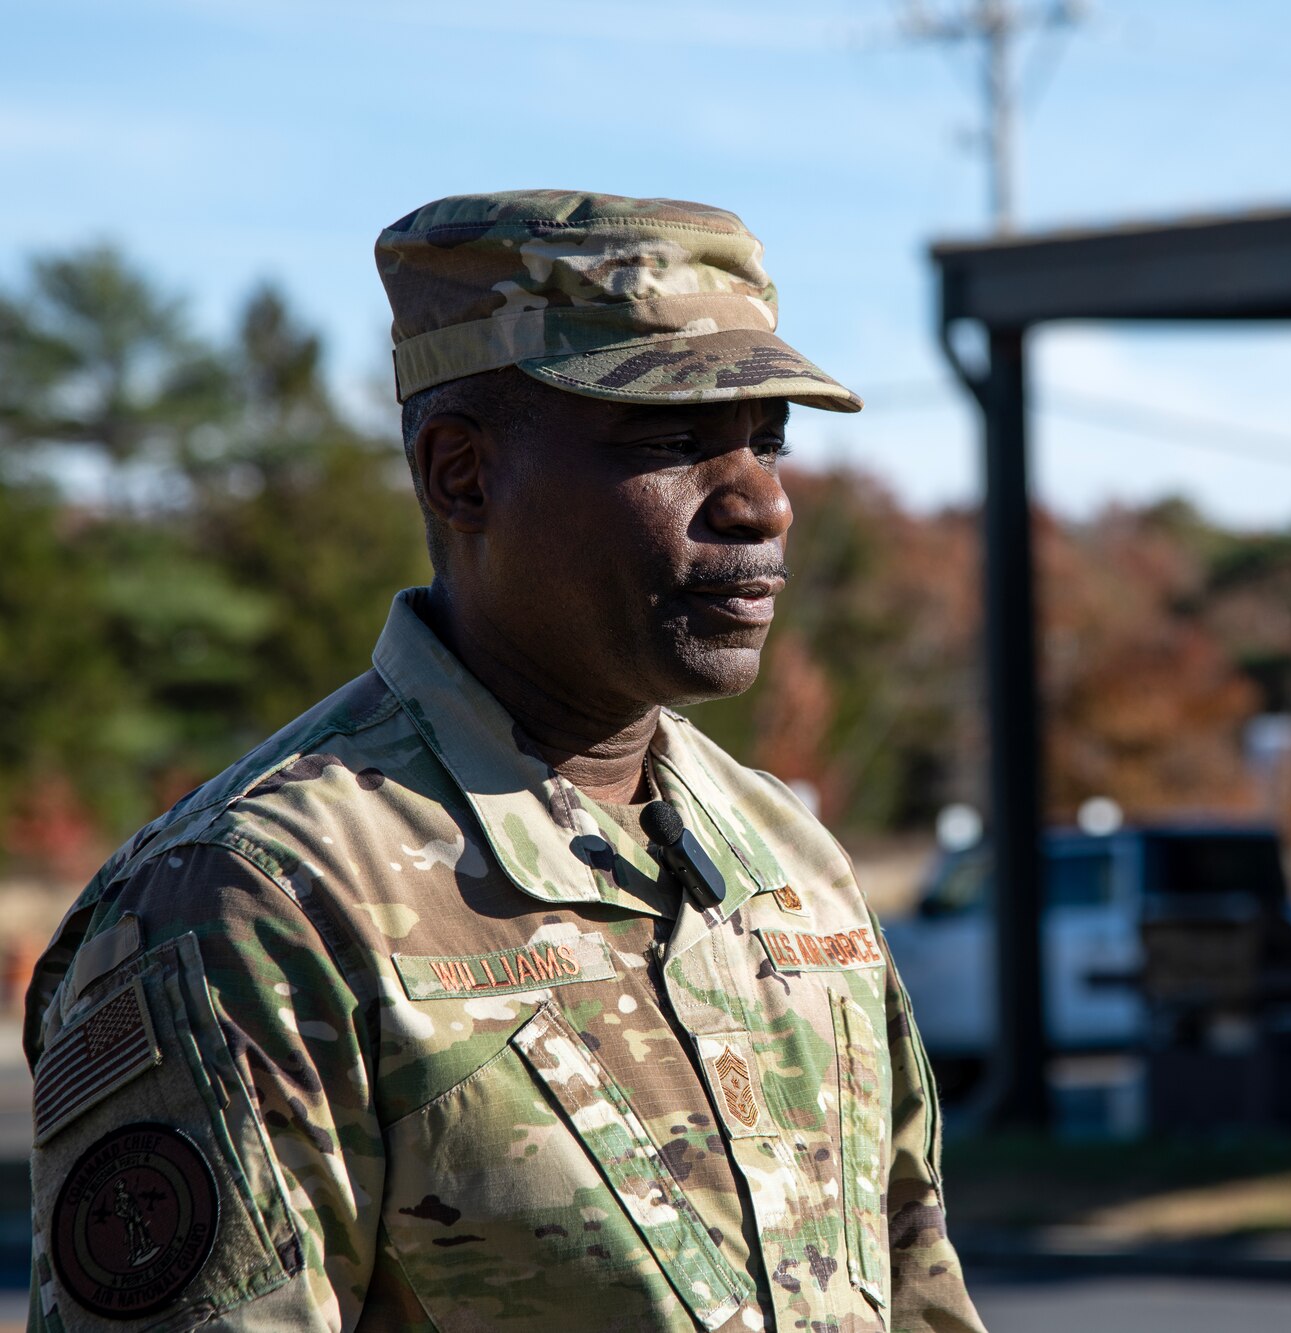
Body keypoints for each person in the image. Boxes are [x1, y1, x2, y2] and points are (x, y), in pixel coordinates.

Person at [23, 191, 986, 1333]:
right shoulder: (255, 903)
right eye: (674, 441)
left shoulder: (790, 859)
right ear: (461, 475)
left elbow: (916, 1284)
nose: (761, 501)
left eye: (767, 440)